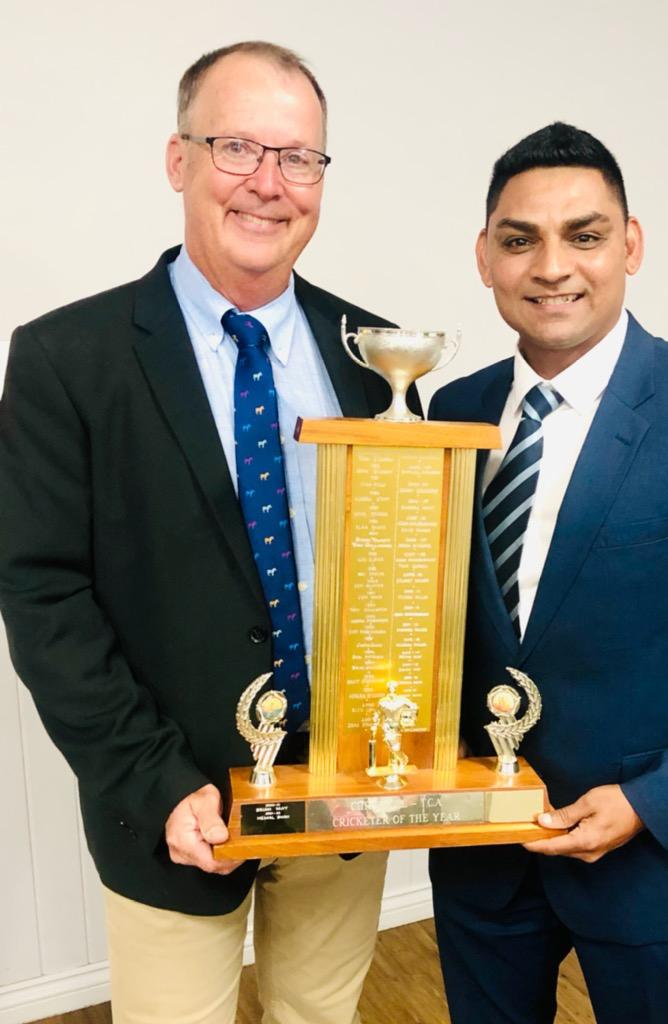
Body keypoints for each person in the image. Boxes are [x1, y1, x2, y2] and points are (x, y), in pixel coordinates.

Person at [0, 41, 408, 1024]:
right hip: (174, 804)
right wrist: (155, 779)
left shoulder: (378, 357)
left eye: (299, 157)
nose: (270, 183)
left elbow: (404, 575)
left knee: (322, 1012)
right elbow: (42, 593)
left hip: (341, 797)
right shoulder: (65, 360)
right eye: (237, 147)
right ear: (178, 159)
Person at [427, 122, 668, 1024]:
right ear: (484, 258)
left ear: (631, 244)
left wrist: (656, 802)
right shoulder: (450, 413)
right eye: (518, 239)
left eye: (584, 234)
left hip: (652, 864)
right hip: (481, 862)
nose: (551, 266)